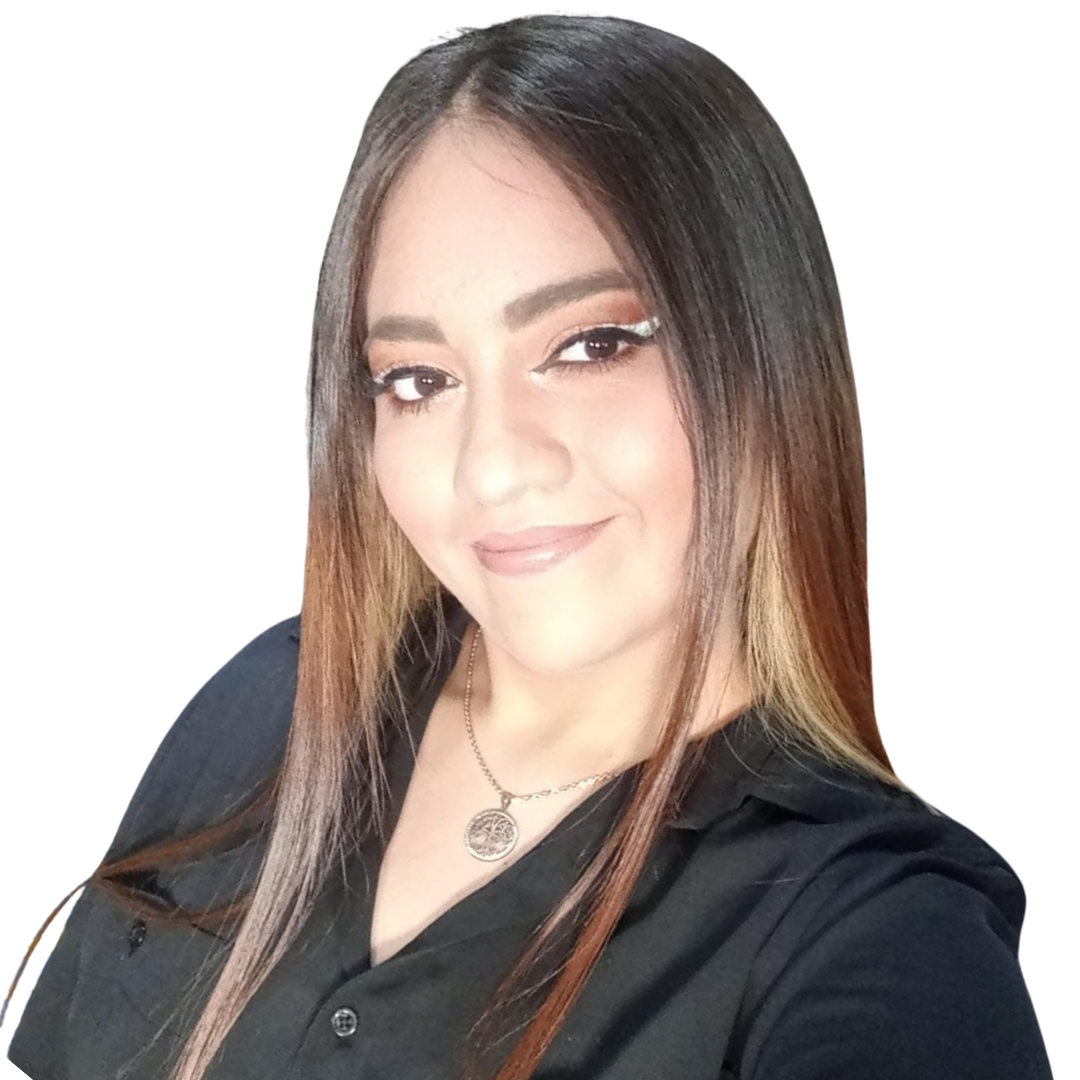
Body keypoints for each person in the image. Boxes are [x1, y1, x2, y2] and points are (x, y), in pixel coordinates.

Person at [3, 13, 1053, 1080]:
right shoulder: (271, 707)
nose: (492, 467)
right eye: (419, 380)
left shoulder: (880, 940)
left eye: (590, 346)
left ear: (762, 361)